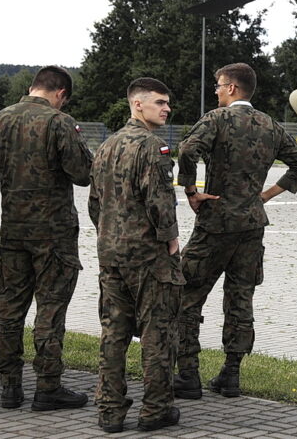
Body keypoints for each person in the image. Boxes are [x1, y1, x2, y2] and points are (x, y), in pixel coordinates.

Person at [174, 63, 297, 399]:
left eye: (219, 85)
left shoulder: (217, 119)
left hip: (216, 224)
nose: (217, 91)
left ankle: (188, 374)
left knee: (185, 294)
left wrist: (191, 191)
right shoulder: (269, 125)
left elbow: (186, 150)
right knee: (240, 300)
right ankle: (231, 375)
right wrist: (264, 195)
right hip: (252, 226)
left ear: (233, 88)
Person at [0, 65, 93, 411]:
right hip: (54, 234)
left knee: (9, 309)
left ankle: (9, 386)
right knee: (50, 309)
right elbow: (82, 174)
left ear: (33, 87)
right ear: (61, 94)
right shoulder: (59, 122)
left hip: (12, 230)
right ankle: (47, 386)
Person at [88, 78, 183, 432]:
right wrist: (170, 239)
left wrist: (110, 236)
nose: (167, 108)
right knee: (158, 332)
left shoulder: (105, 146)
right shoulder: (152, 147)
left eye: (167, 103)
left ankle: (109, 411)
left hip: (111, 254)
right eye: (160, 102)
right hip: (148, 257)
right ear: (137, 105)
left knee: (113, 333)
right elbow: (160, 200)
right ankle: (155, 409)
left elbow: (95, 203)